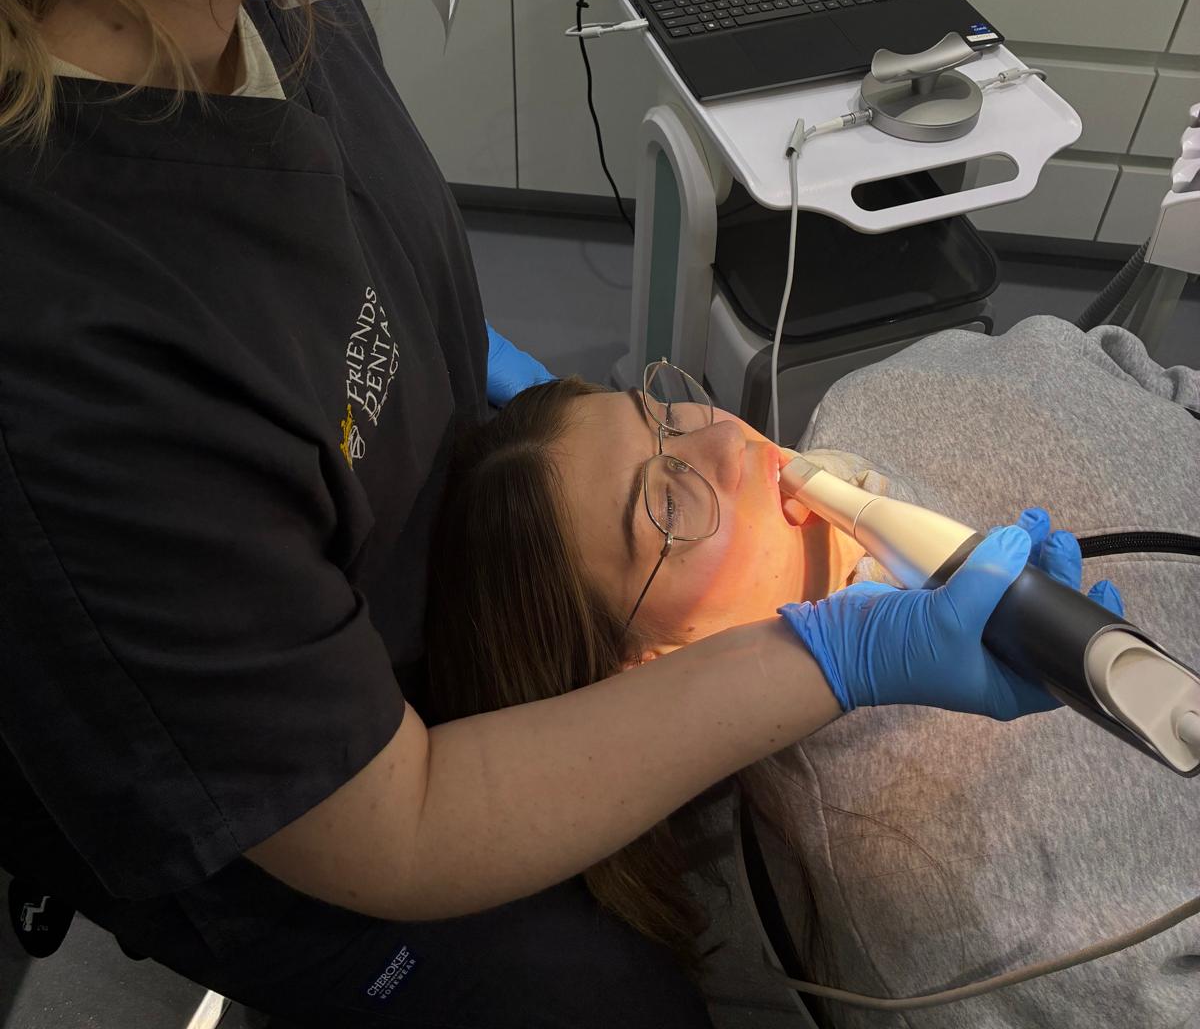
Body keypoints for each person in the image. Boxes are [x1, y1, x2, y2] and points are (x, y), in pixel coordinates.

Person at [0, 0, 1116, 1025]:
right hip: (318, 817)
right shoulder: (63, 347)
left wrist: (502, 386)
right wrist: (841, 659)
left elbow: (347, 282)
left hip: (412, 566)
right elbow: (399, 825)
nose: (731, 450)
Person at [424, 316, 1200, 1026]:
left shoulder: (898, 386)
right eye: (667, 506)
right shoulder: (928, 902)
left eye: (669, 416)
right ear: (647, 669)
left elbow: (1157, 383)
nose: (733, 441)